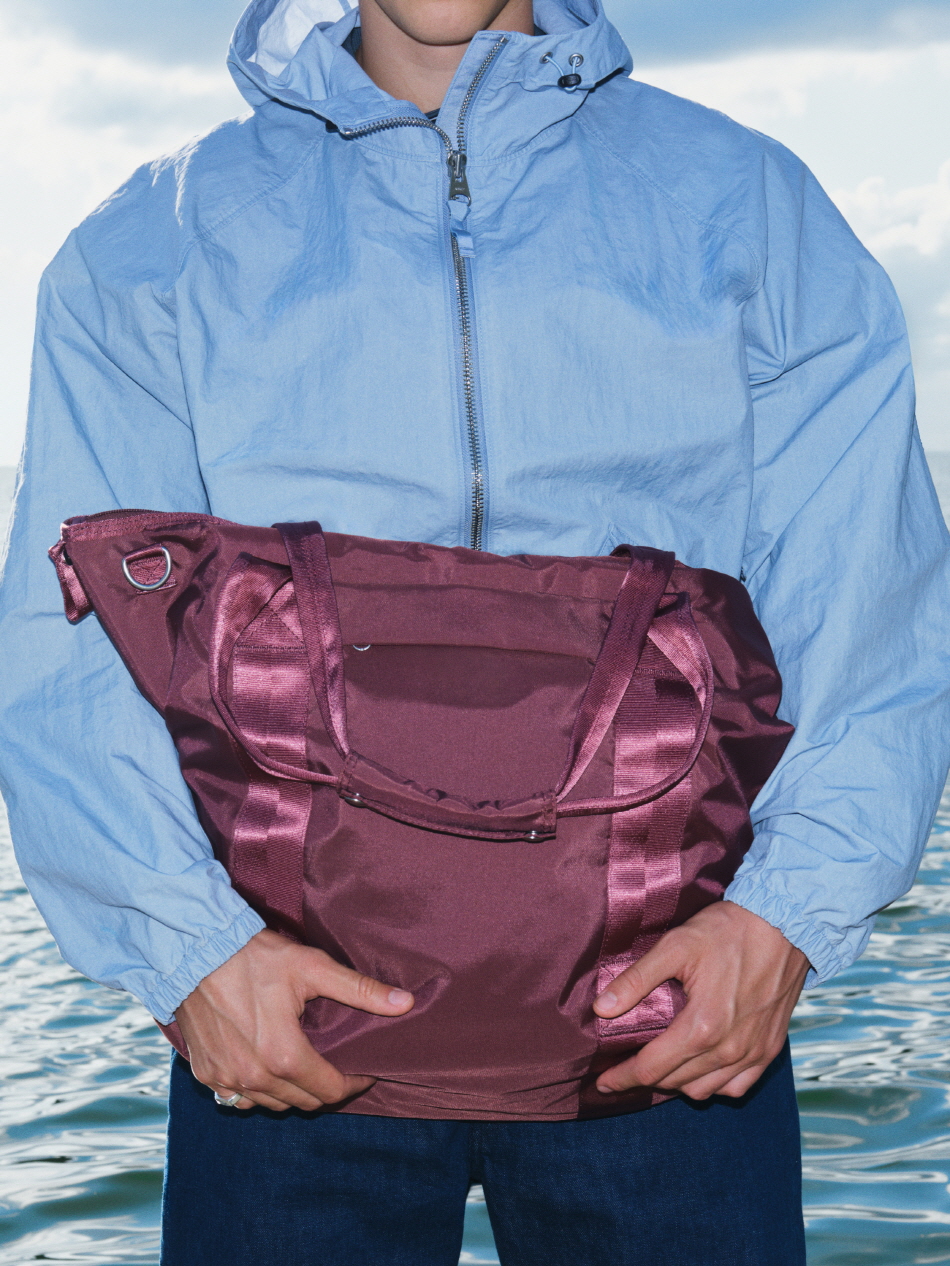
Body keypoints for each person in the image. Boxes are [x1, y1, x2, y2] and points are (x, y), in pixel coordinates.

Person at [1, 0, 948, 1260]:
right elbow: (74, 631)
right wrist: (185, 952)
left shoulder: (751, 206)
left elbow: (869, 593)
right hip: (278, 1014)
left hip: (670, 1010)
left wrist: (784, 919)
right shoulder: (149, 242)